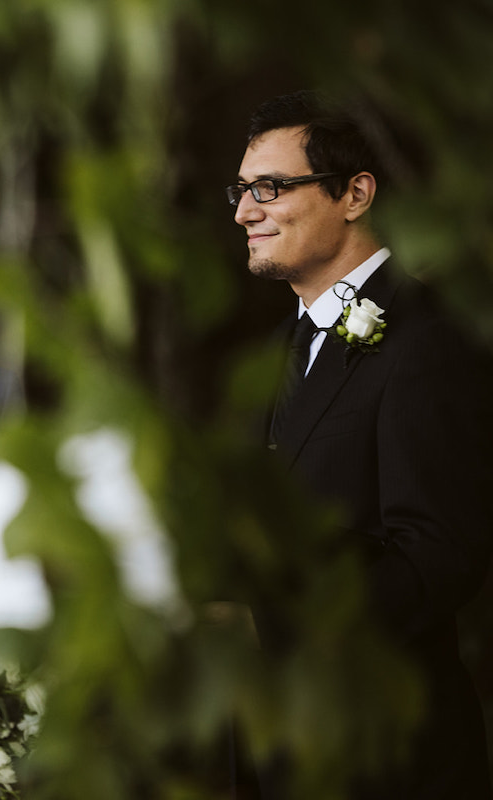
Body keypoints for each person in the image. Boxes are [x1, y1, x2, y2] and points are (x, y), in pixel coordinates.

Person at [229, 90, 493, 798]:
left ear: (355, 194)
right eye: (242, 190)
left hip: (392, 763)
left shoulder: (429, 338)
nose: (243, 212)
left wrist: (271, 629)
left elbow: (440, 556)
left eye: (270, 188)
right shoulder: (276, 354)